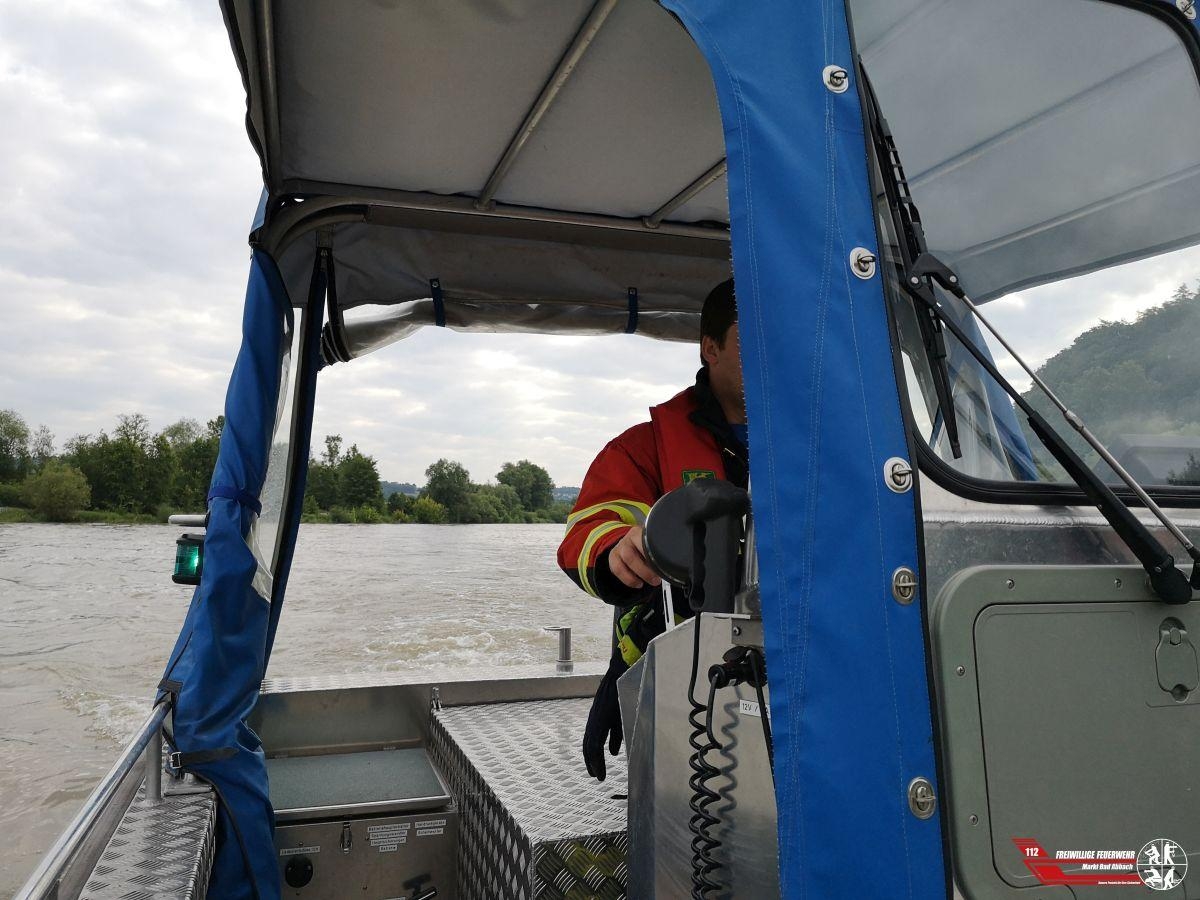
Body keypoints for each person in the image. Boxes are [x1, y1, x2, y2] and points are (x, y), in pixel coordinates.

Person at [558, 277, 749, 780]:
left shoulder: (828, 445)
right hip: (682, 676)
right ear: (710, 348)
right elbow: (586, 531)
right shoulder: (645, 448)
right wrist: (615, 551)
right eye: (753, 338)